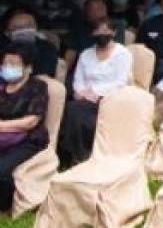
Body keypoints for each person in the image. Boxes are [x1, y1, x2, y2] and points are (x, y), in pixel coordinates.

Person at [58, 19, 131, 166]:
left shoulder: (122, 54)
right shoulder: (86, 54)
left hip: (110, 98)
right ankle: (80, 156)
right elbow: (78, 80)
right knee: (73, 109)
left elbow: (120, 81)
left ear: (113, 33)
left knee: (76, 112)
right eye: (97, 31)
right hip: (85, 98)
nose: (101, 34)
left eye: (105, 31)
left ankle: (75, 156)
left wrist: (96, 93)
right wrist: (81, 93)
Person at [0, 42, 49, 212]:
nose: (7, 67)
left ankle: (4, 208)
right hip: (3, 138)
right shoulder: (1, 87)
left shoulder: (37, 87)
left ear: (27, 66)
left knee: (2, 172)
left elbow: (30, 122)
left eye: (13, 64)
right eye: (5, 63)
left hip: (28, 140)